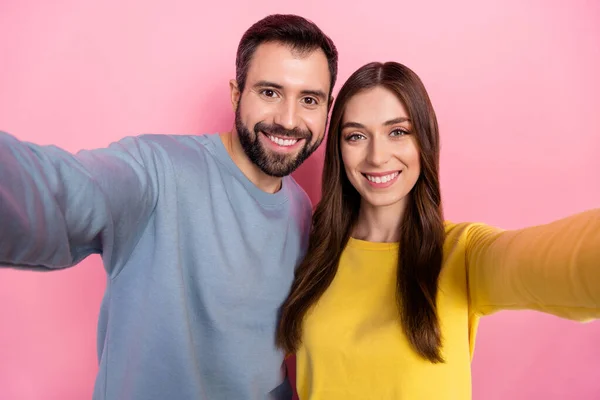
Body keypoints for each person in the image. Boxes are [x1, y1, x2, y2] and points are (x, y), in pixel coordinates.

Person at [0, 14, 337, 400]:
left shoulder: (301, 210)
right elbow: (60, 190)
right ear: (236, 94)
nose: (288, 120)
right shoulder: (155, 168)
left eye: (309, 99)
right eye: (269, 92)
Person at [276, 61, 600, 400]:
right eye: (356, 136)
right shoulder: (309, 251)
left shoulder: (463, 253)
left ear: (425, 140)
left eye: (398, 132)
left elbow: (557, 261)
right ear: (339, 151)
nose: (377, 156)